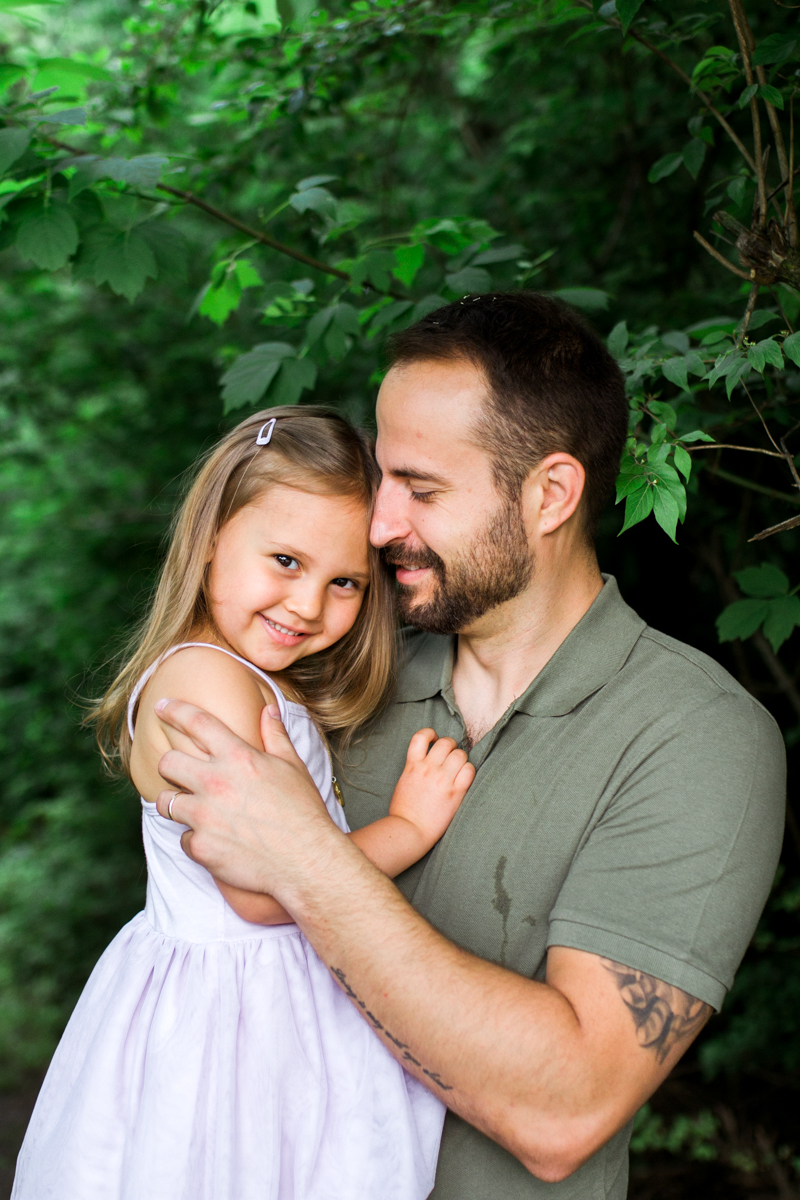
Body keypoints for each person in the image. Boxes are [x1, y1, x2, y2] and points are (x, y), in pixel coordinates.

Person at [149, 292, 787, 1199]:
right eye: (383, 479)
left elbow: (566, 1111)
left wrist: (303, 856)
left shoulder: (694, 738)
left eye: (423, 488)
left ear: (550, 495)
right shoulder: (337, 680)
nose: (377, 526)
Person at [12, 407, 476, 1200]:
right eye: (286, 560)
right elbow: (263, 894)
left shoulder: (242, 675)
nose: (308, 606)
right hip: (233, 1020)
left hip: (269, 997)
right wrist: (407, 827)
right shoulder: (204, 683)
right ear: (213, 535)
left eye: (343, 583)